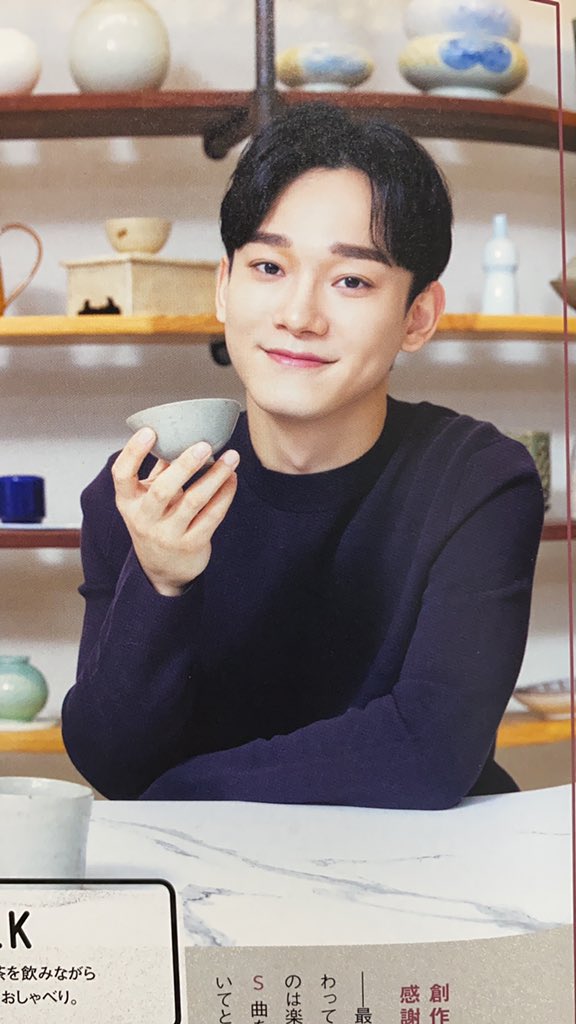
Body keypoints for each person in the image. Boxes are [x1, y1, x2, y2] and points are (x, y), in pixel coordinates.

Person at [61, 103, 544, 807]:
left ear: (418, 317)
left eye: (352, 280)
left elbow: (431, 748)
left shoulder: (478, 481)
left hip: (414, 864)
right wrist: (161, 584)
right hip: (206, 866)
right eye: (268, 266)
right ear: (223, 286)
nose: (299, 316)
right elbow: (111, 762)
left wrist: (183, 792)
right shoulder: (146, 493)